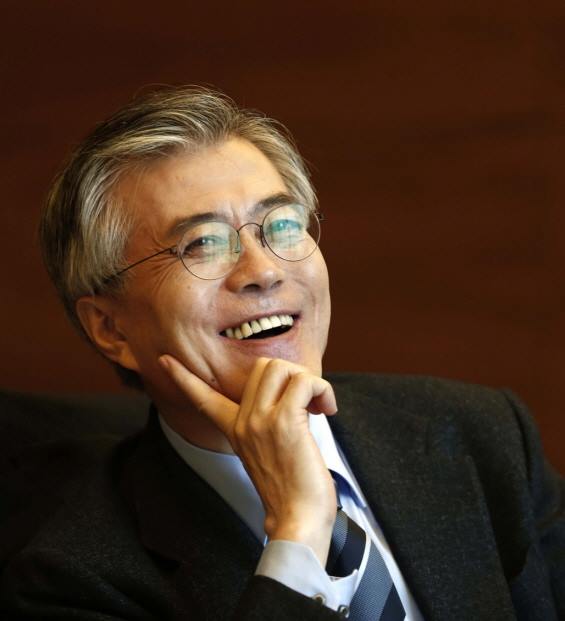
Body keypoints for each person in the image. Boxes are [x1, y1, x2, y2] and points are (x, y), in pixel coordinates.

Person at [1, 86, 563, 621]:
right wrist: (299, 530)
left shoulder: (480, 435)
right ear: (111, 329)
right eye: (202, 243)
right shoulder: (72, 575)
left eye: (283, 225)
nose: (264, 270)